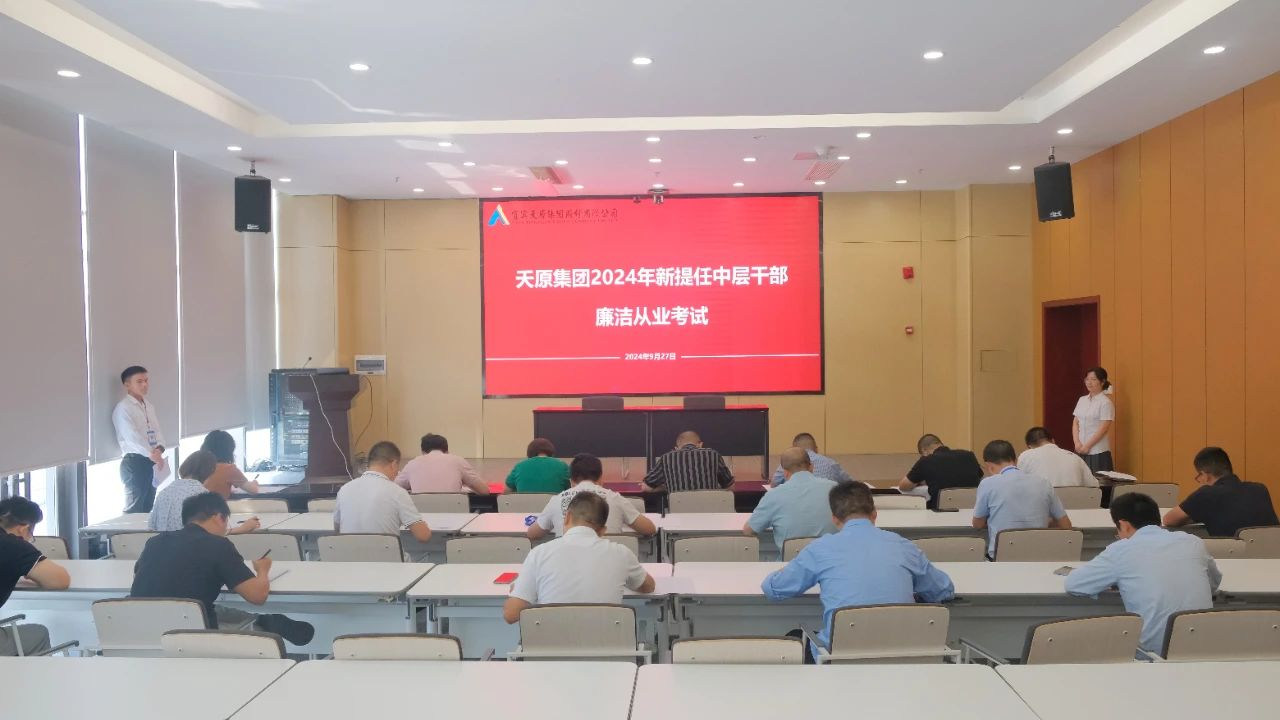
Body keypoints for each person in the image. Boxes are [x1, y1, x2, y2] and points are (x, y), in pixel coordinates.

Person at [762, 482, 954, 654]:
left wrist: (783, 571)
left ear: (834, 519)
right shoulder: (905, 546)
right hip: (902, 654)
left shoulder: (820, 549)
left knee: (795, 638)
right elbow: (944, 591)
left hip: (839, 656)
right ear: (875, 514)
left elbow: (774, 589)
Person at [131, 492, 314, 645]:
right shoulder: (218, 545)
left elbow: (139, 576)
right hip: (191, 634)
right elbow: (257, 596)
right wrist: (262, 570)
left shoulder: (154, 542)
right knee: (205, 611)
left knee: (211, 608)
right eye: (227, 522)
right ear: (218, 517)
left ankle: (261, 620)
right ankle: (261, 624)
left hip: (139, 627)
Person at [1066, 492, 1220, 654]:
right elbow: (1213, 583)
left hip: (1153, 654)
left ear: (1123, 525)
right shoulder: (1193, 542)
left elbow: (1074, 585)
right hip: (1204, 647)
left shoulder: (1122, 550)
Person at [503, 492, 656, 624]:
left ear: (567, 517)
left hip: (552, 647)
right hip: (607, 647)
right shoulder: (622, 553)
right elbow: (648, 586)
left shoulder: (539, 553)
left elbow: (511, 615)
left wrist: (525, 588)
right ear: (603, 531)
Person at [973, 440, 1072, 557]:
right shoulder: (1043, 482)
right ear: (1015, 460)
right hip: (1039, 556)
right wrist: (1042, 522)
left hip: (1002, 558)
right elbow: (1066, 525)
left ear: (989, 466)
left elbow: (977, 524)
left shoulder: (987, 484)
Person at [0, 497, 70, 656]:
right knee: (38, 635)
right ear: (23, 529)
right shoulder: (13, 545)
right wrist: (30, 571)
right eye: (31, 534)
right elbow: (60, 580)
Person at [528, 454, 656, 539]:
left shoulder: (557, 500)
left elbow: (533, 534)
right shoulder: (614, 498)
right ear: (601, 478)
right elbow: (650, 529)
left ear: (571, 480)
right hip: (607, 564)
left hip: (568, 564)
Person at [1163, 447, 1279, 537]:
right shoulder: (1259, 489)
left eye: (1199, 476)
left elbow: (1168, 520)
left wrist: (1197, 514)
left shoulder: (1205, 494)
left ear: (1205, 475)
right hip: (1273, 555)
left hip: (1232, 557)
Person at [335, 441, 432, 543]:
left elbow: (337, 529)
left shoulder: (344, 489)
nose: (397, 473)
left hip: (349, 553)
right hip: (385, 553)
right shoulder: (397, 492)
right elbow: (423, 536)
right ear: (394, 464)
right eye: (398, 468)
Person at [746, 447, 837, 551]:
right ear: (811, 467)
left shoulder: (773, 495)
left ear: (785, 473)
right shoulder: (835, 489)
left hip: (792, 559)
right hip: (830, 558)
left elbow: (749, 530)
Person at [149, 450, 260, 534]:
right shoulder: (202, 496)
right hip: (189, 553)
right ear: (210, 472)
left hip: (163, 552)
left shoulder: (164, 492)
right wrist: (243, 528)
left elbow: (152, 526)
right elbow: (214, 533)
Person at [111, 365, 168, 513]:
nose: (145, 385)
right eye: (139, 381)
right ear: (127, 384)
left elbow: (157, 431)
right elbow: (132, 437)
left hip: (152, 460)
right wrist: (151, 453)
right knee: (134, 508)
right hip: (135, 461)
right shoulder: (123, 408)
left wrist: (159, 449)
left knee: (148, 506)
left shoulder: (148, 406)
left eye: (146, 381)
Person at [897, 434, 983, 509]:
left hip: (940, 514)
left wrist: (921, 481)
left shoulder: (926, 461)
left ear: (924, 451)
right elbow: (980, 478)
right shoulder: (969, 455)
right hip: (972, 512)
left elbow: (903, 486)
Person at [395, 433, 488, 495]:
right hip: (455, 514)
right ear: (447, 451)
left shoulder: (412, 464)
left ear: (423, 451)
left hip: (422, 516)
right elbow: (484, 491)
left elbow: (393, 488)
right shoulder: (458, 461)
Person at [642, 430, 734, 493]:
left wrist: (666, 487)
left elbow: (646, 487)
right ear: (700, 444)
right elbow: (730, 486)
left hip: (678, 512)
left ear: (676, 448)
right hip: (711, 511)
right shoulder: (713, 454)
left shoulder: (666, 458)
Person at [1018, 426, 1098, 488]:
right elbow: (1094, 486)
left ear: (1029, 447)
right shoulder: (1075, 458)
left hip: (1042, 504)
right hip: (1074, 504)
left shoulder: (1026, 456)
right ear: (1053, 441)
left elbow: (1019, 485)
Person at [770, 433, 855, 487]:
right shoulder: (831, 463)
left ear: (794, 449)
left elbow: (774, 484)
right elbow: (850, 484)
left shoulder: (788, 461)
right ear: (816, 449)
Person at [1073, 367, 1116, 472]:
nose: (1089, 382)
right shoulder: (1082, 400)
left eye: (1093, 379)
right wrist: (1077, 443)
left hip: (1098, 451)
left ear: (1102, 382)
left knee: (1098, 481)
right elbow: (1075, 422)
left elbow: (1103, 428)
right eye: (1087, 379)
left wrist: (1087, 446)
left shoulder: (1105, 402)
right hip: (1080, 449)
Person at [200, 429, 260, 498]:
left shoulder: (201, 466)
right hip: (214, 504)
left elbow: (210, 486)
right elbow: (253, 490)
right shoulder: (228, 469)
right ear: (229, 451)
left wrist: (225, 488)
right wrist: (255, 482)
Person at [505, 438, 570, 494]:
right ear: (551, 452)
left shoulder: (519, 466)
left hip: (525, 504)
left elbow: (506, 491)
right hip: (555, 504)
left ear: (529, 452)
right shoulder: (562, 465)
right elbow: (571, 489)